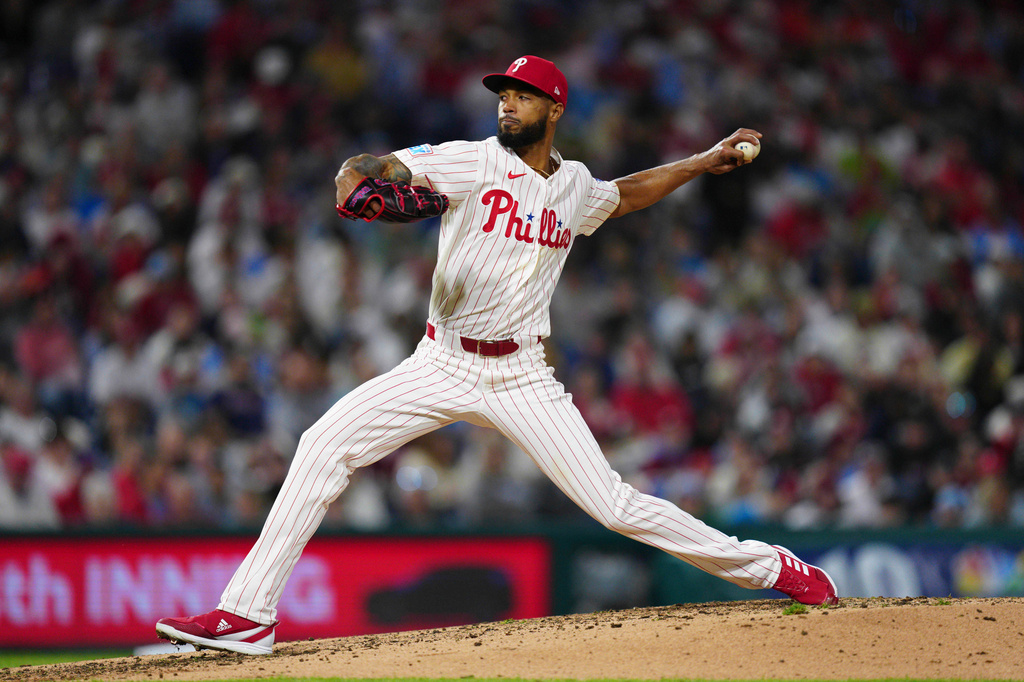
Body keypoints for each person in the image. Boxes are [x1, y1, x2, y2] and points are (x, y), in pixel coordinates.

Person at [156, 55, 837, 656]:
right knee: (321, 443)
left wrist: (699, 161)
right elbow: (372, 169)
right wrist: (354, 179)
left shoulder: (574, 187)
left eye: (522, 94)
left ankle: (772, 568)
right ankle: (247, 615)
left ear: (555, 108)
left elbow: (624, 195)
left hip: (521, 375)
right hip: (440, 361)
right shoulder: (472, 159)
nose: (507, 102)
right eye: (502, 94)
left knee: (617, 506)